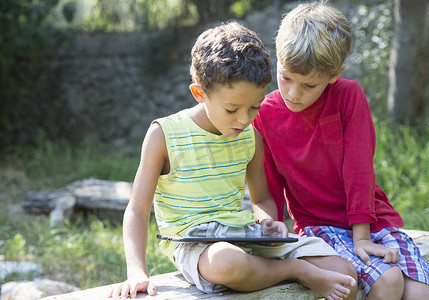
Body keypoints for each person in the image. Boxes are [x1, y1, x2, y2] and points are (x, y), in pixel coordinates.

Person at [109, 21, 358, 300]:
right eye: (231, 109)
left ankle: (288, 266)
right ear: (200, 93)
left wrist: (268, 221)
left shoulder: (250, 135)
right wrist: (136, 271)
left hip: (246, 234)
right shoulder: (164, 135)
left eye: (255, 107)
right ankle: (295, 269)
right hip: (198, 243)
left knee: (343, 271)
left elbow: (261, 200)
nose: (244, 119)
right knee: (227, 262)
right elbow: (138, 210)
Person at [252, 2, 429, 300]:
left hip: (371, 219)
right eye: (285, 77)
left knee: (420, 294)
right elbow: (268, 192)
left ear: (334, 74)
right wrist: (268, 225)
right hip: (318, 226)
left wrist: (362, 237)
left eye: (309, 85)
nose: (293, 94)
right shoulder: (265, 115)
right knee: (388, 282)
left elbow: (359, 171)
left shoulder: (348, 95)